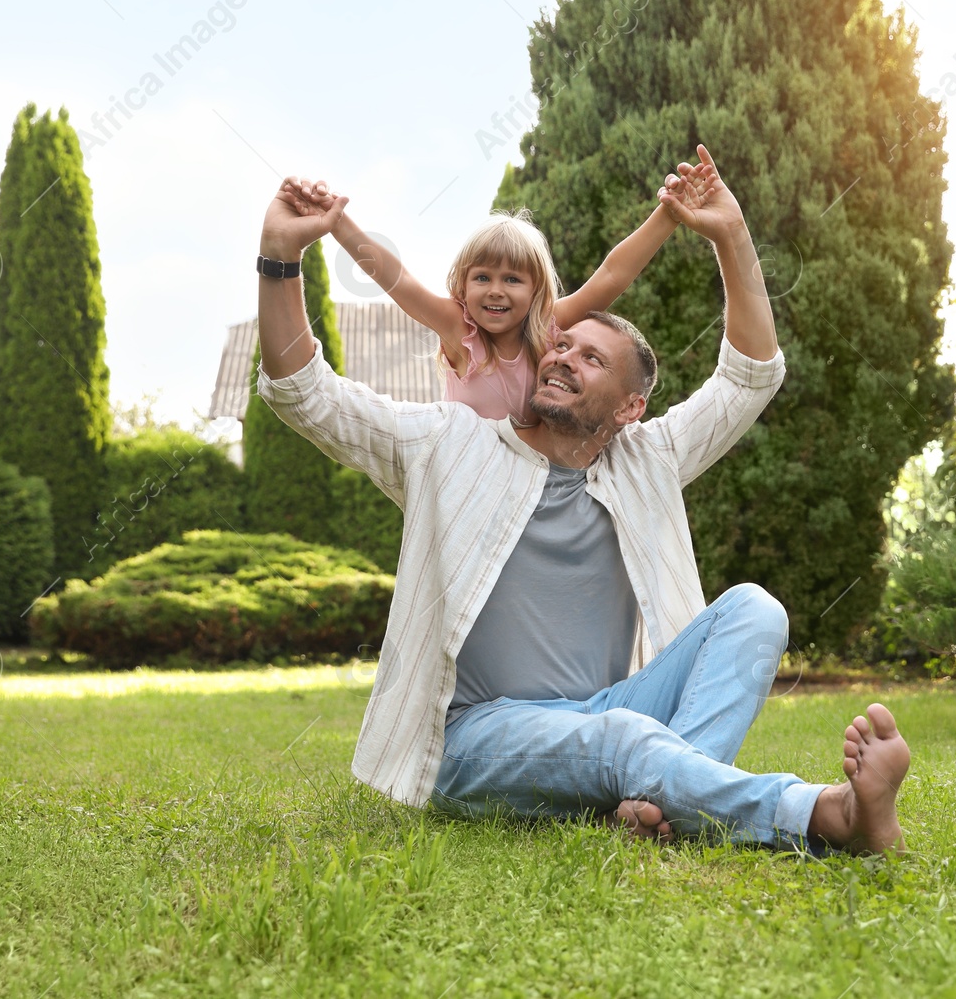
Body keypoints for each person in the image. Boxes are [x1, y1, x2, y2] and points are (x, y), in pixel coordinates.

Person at [253, 144, 910, 853]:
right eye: (561, 345)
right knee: (625, 736)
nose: (562, 354)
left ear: (630, 406)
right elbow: (306, 395)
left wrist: (730, 233)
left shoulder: (646, 459)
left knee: (755, 609)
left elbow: (748, 378)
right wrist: (279, 260)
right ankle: (829, 815)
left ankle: (661, 805)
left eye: (590, 357)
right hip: (478, 737)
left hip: (608, 713)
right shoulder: (450, 443)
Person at [281, 172, 694, 426]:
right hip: (467, 473)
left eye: (512, 279)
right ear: (462, 286)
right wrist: (337, 222)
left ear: (536, 291)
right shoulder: (459, 330)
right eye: (482, 277)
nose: (495, 290)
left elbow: (611, 275)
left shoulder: (549, 330)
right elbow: (398, 279)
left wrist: (668, 214)